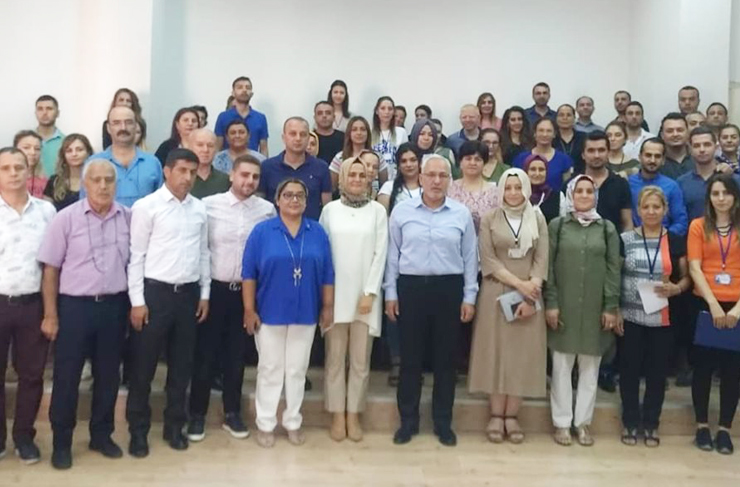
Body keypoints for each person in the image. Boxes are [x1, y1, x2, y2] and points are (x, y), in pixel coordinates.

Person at [38, 159, 130, 469]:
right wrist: (50, 314)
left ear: (116, 184)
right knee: (67, 377)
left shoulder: (128, 217)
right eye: (96, 180)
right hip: (75, 308)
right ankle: (61, 443)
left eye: (109, 180)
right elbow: (51, 270)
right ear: (85, 183)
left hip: (114, 307)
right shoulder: (65, 219)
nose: (103, 186)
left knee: (108, 375)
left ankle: (101, 435)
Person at [385, 155, 478, 447]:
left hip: (448, 289)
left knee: (446, 361)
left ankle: (442, 422)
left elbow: (470, 257)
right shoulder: (401, 211)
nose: (437, 181)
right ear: (421, 178)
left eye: (443, 176)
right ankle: (408, 422)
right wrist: (390, 293)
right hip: (411, 288)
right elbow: (392, 255)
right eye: (431, 175)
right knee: (410, 360)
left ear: (450, 180)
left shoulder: (461, 214)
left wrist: (470, 296)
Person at [126, 148, 211, 458]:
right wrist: (137, 301)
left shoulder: (199, 209)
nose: (187, 177)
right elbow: (136, 256)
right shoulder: (146, 207)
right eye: (182, 170)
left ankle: (175, 426)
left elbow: (203, 253)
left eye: (192, 172)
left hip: (188, 296)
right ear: (167, 171)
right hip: (154, 295)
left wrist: (205, 293)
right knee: (143, 368)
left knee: (181, 367)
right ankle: (138, 431)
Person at [186, 154, 276, 443]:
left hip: (246, 294)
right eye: (244, 175)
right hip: (213, 290)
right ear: (232, 175)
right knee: (204, 356)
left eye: (255, 177)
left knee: (236, 358)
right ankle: (196, 415)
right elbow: (200, 249)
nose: (249, 181)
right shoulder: (208, 205)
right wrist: (202, 292)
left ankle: (232, 413)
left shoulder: (266, 210)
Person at [242, 178, 334, 448]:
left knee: (297, 370)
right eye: (288, 195)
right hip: (269, 312)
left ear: (307, 201)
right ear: (277, 200)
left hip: (306, 311)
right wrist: (249, 309)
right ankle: (266, 423)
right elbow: (248, 274)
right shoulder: (262, 232)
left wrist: (327, 306)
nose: (294, 200)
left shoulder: (317, 232)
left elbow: (328, 273)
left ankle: (293, 421)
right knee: (270, 369)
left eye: (300, 196)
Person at [468, 168, 548, 444]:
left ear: (526, 189)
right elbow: (488, 259)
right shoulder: (490, 218)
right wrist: (519, 284)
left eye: (518, 187)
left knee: (520, 356)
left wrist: (530, 292)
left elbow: (542, 258)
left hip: (529, 295)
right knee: (496, 353)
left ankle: (512, 416)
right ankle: (495, 415)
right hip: (496, 291)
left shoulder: (537, 217)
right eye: (508, 188)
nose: (513, 193)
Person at [545, 175, 621, 447]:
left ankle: (583, 423)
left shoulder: (607, 228)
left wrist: (611, 306)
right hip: (563, 306)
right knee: (561, 368)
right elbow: (548, 268)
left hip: (595, 308)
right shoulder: (558, 226)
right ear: (571, 195)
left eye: (590, 191)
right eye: (580, 191)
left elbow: (613, 269)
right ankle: (562, 423)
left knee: (590, 369)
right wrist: (551, 303)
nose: (585, 195)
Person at [320, 157, 388, 442]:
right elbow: (322, 254)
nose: (358, 179)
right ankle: (337, 413)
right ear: (343, 178)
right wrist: (326, 294)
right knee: (335, 359)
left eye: (362, 175)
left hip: (365, 297)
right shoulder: (330, 211)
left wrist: (370, 292)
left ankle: (353, 414)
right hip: (335, 296)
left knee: (360, 361)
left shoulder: (378, 212)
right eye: (352, 174)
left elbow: (380, 253)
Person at [618, 186, 690, 448]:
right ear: (638, 210)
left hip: (662, 318)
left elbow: (687, 277)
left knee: (657, 374)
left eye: (656, 207)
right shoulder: (625, 239)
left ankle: (651, 423)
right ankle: (629, 421)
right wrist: (615, 310)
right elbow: (615, 276)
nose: (651, 211)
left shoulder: (675, 241)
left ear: (665, 210)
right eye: (646, 207)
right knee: (629, 372)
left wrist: (677, 288)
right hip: (630, 316)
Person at [0, 147, 56, 464]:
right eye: (5, 168)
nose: (13, 173)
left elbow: (51, 266)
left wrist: (50, 313)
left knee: (32, 375)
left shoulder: (46, 212)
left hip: (33, 304)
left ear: (28, 170)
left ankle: (24, 437)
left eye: (18, 167)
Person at [687, 173, 740, 454]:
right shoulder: (698, 226)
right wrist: (714, 304)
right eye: (715, 193)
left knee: (733, 371)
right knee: (703, 368)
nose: (721, 198)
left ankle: (725, 430)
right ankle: (702, 426)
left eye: (726, 193)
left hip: (737, 306)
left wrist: (737, 310)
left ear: (735, 196)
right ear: (709, 197)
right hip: (706, 303)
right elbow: (695, 267)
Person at [85, 106, 163, 207]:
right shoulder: (93, 163)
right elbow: (85, 205)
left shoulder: (152, 163)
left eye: (129, 122)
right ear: (108, 128)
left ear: (136, 126)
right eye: (116, 123)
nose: (123, 128)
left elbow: (161, 205)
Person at [258, 117, 332, 220]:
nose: (298, 138)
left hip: (310, 227)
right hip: (274, 227)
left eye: (303, 134)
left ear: (308, 138)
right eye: (293, 134)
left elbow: (327, 209)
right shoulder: (267, 167)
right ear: (284, 137)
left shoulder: (321, 167)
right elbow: (259, 205)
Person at [628, 138, 688, 235]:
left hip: (665, 239)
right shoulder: (628, 184)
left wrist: (662, 236)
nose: (652, 160)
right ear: (640, 157)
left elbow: (680, 222)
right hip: (635, 238)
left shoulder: (672, 186)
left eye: (657, 156)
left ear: (663, 160)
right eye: (648, 155)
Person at [678, 127, 739, 221]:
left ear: (716, 147)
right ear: (690, 149)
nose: (702, 149)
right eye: (696, 146)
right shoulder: (681, 183)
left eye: (707, 145)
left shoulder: (734, 179)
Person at [580, 131, 633, 232]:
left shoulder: (621, 184)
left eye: (601, 150)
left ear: (608, 153)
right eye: (591, 151)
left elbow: (627, 223)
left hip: (614, 241)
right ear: (583, 154)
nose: (596, 155)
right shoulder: (572, 184)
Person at [446, 140, 497, 233]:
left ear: (484, 163)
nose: (473, 163)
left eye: (478, 159)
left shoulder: (494, 191)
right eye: (468, 159)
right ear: (460, 162)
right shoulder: (449, 188)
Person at [512, 118, 573, 192]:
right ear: (535, 133)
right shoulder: (521, 158)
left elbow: (567, 188)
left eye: (549, 131)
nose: (545, 134)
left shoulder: (564, 160)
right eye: (541, 130)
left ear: (554, 134)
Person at [329, 116, 388, 192]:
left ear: (368, 133)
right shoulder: (339, 157)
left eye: (363, 129)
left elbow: (384, 186)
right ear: (349, 133)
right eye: (354, 130)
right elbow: (333, 187)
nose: (359, 133)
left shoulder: (378, 157)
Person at [214, 76, 269, 155]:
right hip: (228, 161)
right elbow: (217, 147)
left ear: (251, 93)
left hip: (252, 161)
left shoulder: (260, 118)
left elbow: (264, 148)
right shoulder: (223, 117)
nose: (244, 90)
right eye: (240, 87)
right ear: (233, 93)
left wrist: (264, 162)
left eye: (248, 88)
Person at [43, 134, 93, 211]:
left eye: (79, 150)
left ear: (88, 152)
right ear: (63, 155)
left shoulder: (96, 181)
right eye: (69, 151)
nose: (74, 154)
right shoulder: (54, 182)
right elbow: (47, 212)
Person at [377, 143, 421, 215]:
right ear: (398, 165)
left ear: (420, 162)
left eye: (413, 160)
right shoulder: (388, 188)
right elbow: (382, 218)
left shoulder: (429, 186)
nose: (408, 165)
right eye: (404, 161)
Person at [370, 96, 408, 180]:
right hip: (374, 179)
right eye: (383, 108)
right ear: (377, 111)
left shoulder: (401, 132)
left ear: (393, 112)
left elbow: (405, 157)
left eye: (390, 109)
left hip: (395, 179)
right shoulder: (369, 132)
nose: (386, 112)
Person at [187, 129, 230, 199]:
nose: (205, 150)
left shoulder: (225, 180)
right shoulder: (182, 178)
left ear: (216, 149)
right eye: (200, 145)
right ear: (189, 147)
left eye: (210, 145)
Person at [524, 154, 561, 223]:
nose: (537, 174)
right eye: (533, 169)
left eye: (541, 170)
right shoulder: (520, 194)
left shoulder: (558, 196)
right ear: (526, 171)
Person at [35, 95, 64, 178]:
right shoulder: (25, 141)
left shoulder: (66, 142)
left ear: (57, 113)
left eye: (49, 108)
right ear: (35, 113)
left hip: (56, 185)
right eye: (40, 109)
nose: (44, 113)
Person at [14, 131, 48, 198]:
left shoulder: (45, 181)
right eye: (26, 147)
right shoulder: (3, 178)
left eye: (37, 149)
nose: (33, 152)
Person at [553, 104, 586, 174]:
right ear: (556, 118)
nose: (565, 118)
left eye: (568, 115)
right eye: (561, 115)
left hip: (580, 175)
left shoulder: (584, 138)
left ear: (574, 118)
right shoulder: (551, 138)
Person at [659, 113, 693, 179]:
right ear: (662, 135)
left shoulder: (698, 158)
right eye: (670, 131)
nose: (675, 134)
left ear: (687, 133)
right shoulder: (656, 160)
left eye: (680, 130)